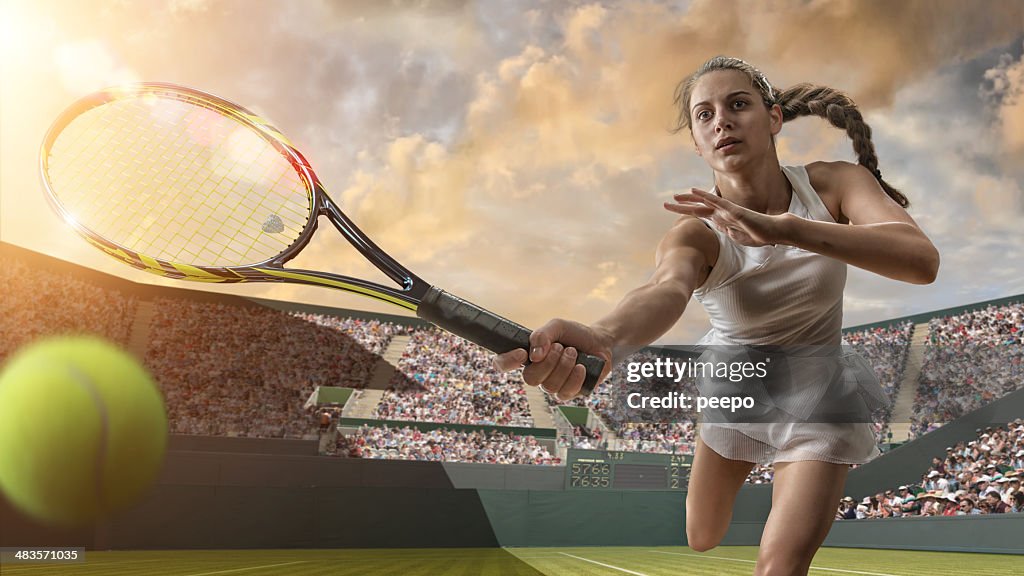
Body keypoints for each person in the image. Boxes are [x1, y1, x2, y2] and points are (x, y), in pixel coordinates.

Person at [494, 55, 939, 576]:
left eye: (738, 104)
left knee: (781, 565)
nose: (721, 120)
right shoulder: (696, 233)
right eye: (704, 115)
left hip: (820, 397)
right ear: (698, 143)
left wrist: (785, 229)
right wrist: (606, 336)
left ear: (774, 119)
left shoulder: (835, 184)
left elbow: (920, 259)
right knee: (701, 535)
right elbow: (665, 288)